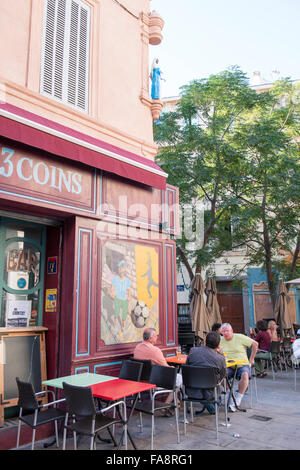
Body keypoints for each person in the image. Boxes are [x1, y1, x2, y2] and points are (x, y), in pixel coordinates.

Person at [133, 328, 182, 411]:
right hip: (154, 381)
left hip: (140, 380)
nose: (157, 338)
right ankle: (165, 405)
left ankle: (176, 400)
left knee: (175, 380)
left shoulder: (137, 348)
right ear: (150, 338)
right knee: (179, 378)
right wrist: (173, 368)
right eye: (156, 336)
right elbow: (166, 368)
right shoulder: (155, 351)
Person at [186, 331, 227, 414]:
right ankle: (213, 406)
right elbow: (223, 375)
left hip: (192, 390)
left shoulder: (193, 351)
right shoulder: (220, 358)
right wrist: (221, 354)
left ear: (205, 341)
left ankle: (211, 406)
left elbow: (187, 367)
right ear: (218, 345)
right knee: (219, 387)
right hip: (211, 392)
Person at [220, 323, 258, 412]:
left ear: (232, 331)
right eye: (223, 331)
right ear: (221, 332)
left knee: (245, 375)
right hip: (228, 366)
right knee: (219, 375)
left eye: (227, 331)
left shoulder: (239, 337)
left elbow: (255, 344)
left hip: (242, 365)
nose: (226, 333)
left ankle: (238, 399)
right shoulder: (220, 340)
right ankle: (230, 393)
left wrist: (251, 359)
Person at [110, 260, 131, 330]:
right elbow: (113, 287)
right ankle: (115, 323)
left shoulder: (127, 280)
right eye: (119, 268)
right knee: (116, 312)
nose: (120, 270)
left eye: (121, 268)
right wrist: (112, 293)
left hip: (125, 300)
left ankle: (123, 325)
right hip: (118, 298)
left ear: (124, 269)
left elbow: (128, 290)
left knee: (124, 313)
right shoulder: (115, 279)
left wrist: (128, 297)